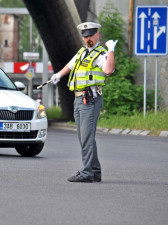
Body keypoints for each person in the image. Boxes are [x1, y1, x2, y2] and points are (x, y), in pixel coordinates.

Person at [51, 22, 118, 183]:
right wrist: (58, 75)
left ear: (97, 35)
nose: (88, 39)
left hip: (91, 99)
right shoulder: (82, 53)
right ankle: (95, 171)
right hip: (78, 99)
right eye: (85, 36)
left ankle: (87, 172)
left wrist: (111, 50)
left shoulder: (101, 55)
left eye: (90, 35)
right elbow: (70, 65)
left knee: (87, 137)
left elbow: (108, 70)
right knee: (84, 137)